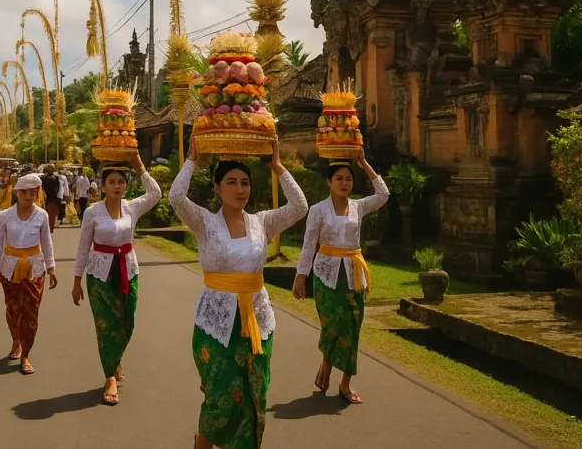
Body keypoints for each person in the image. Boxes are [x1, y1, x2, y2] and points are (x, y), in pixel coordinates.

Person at [169, 138, 308, 449]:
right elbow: (176, 197)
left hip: (257, 320)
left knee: (254, 392)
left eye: (245, 182)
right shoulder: (205, 222)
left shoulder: (262, 223)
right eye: (231, 182)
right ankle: (202, 441)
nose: (240, 188)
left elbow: (300, 207)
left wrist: (277, 166)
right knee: (220, 396)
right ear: (217, 188)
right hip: (216, 323)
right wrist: (191, 160)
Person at [294, 152, 388, 405]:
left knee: (353, 326)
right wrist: (300, 276)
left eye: (348, 179)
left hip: (354, 274)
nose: (344, 183)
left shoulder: (359, 206)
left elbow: (383, 195)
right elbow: (308, 244)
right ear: (329, 181)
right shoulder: (317, 210)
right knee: (333, 324)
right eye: (339, 178)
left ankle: (345, 382)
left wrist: (364, 164)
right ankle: (326, 362)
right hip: (326, 274)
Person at [73, 154, 161, 406]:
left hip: (127, 271)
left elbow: (155, 194)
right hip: (99, 275)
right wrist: (76, 280)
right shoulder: (92, 212)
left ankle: (115, 357)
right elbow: (83, 246)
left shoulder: (132, 207)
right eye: (111, 182)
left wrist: (140, 166)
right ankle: (109, 376)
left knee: (127, 322)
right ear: (102, 186)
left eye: (121, 182)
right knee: (106, 326)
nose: (117, 186)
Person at [0, 173, 57, 375]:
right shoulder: (5, 216)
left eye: (33, 193)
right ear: (17, 193)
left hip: (35, 267)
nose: (29, 197)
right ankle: (16, 340)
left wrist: (51, 268)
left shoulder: (42, 215)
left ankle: (26, 353)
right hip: (9, 267)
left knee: (31, 310)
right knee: (13, 309)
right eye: (25, 192)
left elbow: (47, 243)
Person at [40, 165, 61, 233]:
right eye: (51, 168)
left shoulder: (55, 178)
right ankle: (47, 227)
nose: (52, 170)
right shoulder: (44, 178)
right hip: (47, 198)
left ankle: (50, 227)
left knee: (52, 214)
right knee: (47, 214)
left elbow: (57, 187)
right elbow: (42, 187)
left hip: (53, 198)